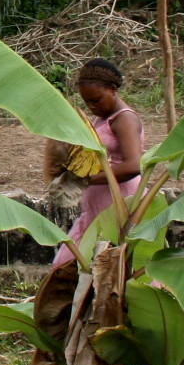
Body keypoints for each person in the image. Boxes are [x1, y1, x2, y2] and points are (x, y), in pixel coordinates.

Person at [51, 58, 143, 269]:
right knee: (66, 267)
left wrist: (86, 180)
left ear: (112, 90)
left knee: (114, 269)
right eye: (87, 102)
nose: (92, 107)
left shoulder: (124, 119)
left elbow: (133, 165)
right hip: (96, 207)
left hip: (119, 201)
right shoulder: (102, 118)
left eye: (97, 100)